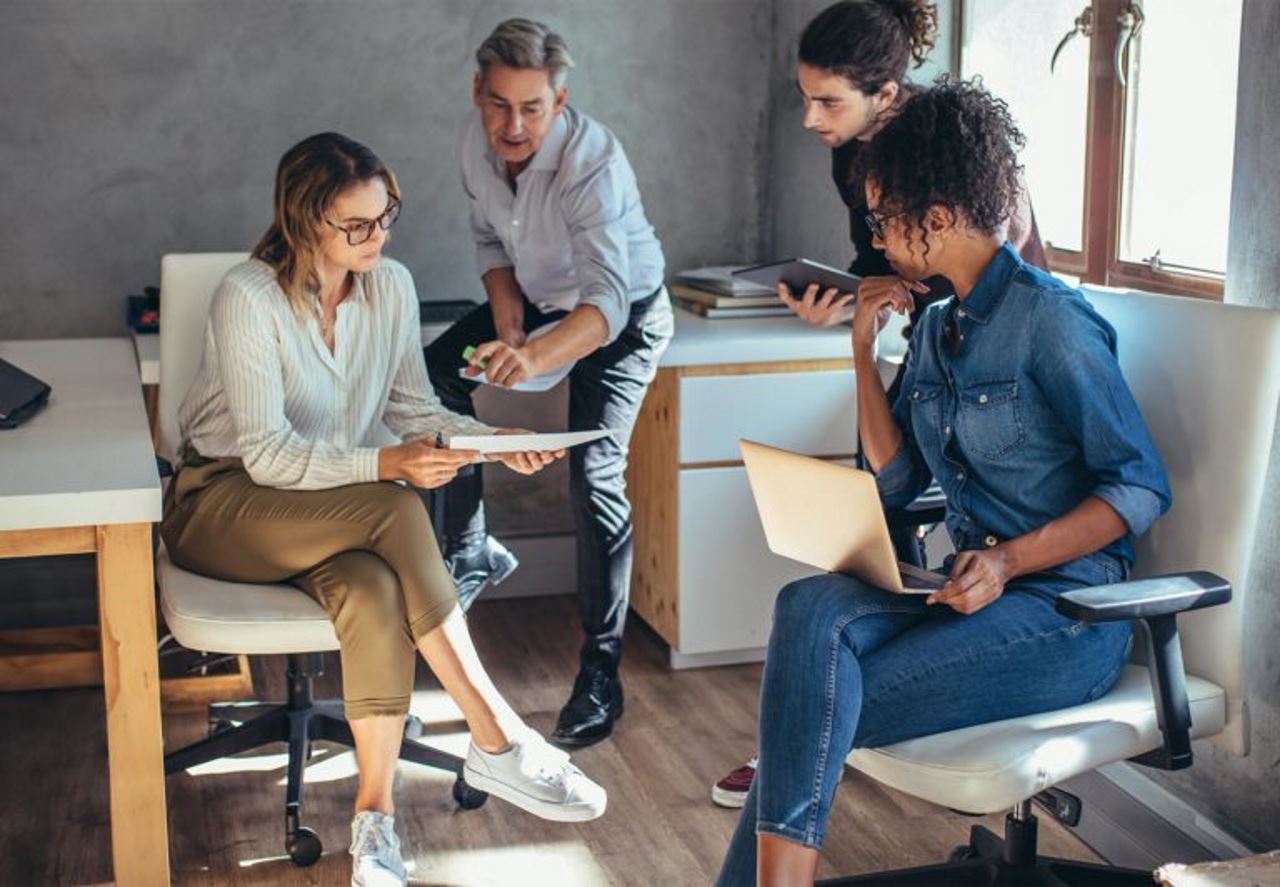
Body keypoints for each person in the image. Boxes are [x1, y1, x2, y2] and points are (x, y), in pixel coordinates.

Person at [715, 78, 1171, 886]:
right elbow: (895, 483)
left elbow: (1137, 487)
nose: (876, 237)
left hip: (1068, 613)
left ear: (938, 217)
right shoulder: (934, 324)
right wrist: (859, 348)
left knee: (817, 699)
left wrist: (1006, 561)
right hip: (963, 588)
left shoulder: (1050, 323)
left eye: (885, 218)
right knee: (807, 606)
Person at [163, 132, 606, 887]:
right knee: (397, 506)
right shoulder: (248, 296)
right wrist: (389, 464)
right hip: (224, 500)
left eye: (385, 217)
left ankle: (375, 825)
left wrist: (492, 440)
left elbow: (412, 408)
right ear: (305, 221)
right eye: (357, 225)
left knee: (372, 587)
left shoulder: (390, 286)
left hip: (327, 506)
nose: (378, 236)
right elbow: (267, 454)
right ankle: (495, 731)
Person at [711, 0, 1049, 809]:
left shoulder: (957, 146)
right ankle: (823, 718)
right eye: (805, 97)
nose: (808, 118)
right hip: (930, 340)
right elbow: (881, 264)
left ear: (888, 93)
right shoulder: (850, 157)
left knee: (899, 508)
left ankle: (834, 720)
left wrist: (889, 293)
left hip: (999, 350)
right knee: (864, 518)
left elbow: (987, 256)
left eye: (827, 101)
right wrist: (849, 300)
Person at [424, 18, 674, 749]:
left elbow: (607, 303)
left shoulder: (592, 161)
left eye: (533, 108)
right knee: (432, 374)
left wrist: (532, 359)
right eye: (500, 104)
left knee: (594, 475)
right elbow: (489, 238)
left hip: (619, 318)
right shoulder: (478, 143)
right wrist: (507, 315)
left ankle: (600, 677)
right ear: (478, 91)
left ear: (560, 101)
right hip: (540, 298)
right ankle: (468, 545)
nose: (514, 124)